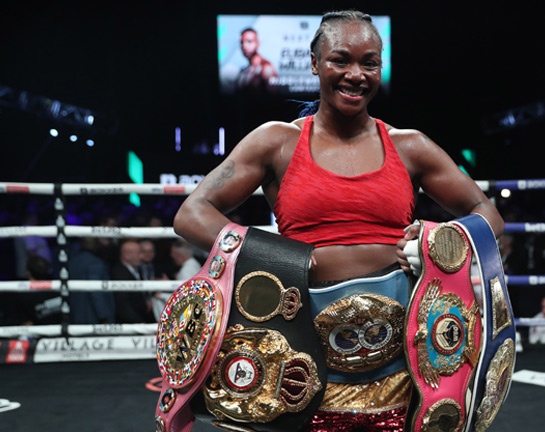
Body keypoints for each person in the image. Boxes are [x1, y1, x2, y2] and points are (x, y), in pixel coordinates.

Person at [171, 10, 504, 432]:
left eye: (369, 63)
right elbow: (191, 214)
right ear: (315, 64)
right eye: (340, 60)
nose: (355, 74)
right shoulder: (277, 141)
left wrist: (441, 240)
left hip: (403, 357)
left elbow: (487, 213)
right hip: (300, 353)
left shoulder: (410, 146)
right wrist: (270, 256)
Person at [68, 237, 116, 324]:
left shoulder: (72, 262)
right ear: (95, 245)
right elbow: (95, 291)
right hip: (93, 317)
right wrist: (103, 315)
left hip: (75, 315)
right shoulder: (95, 263)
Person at [112, 238, 154, 324]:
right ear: (127, 255)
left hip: (141, 320)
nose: (142, 257)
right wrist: (139, 323)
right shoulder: (119, 274)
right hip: (130, 324)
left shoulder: (138, 270)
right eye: (139, 253)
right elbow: (123, 305)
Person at [236, 27, 278, 94]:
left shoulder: (265, 67)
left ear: (258, 43)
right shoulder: (244, 70)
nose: (244, 46)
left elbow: (274, 95)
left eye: (249, 41)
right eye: (242, 42)